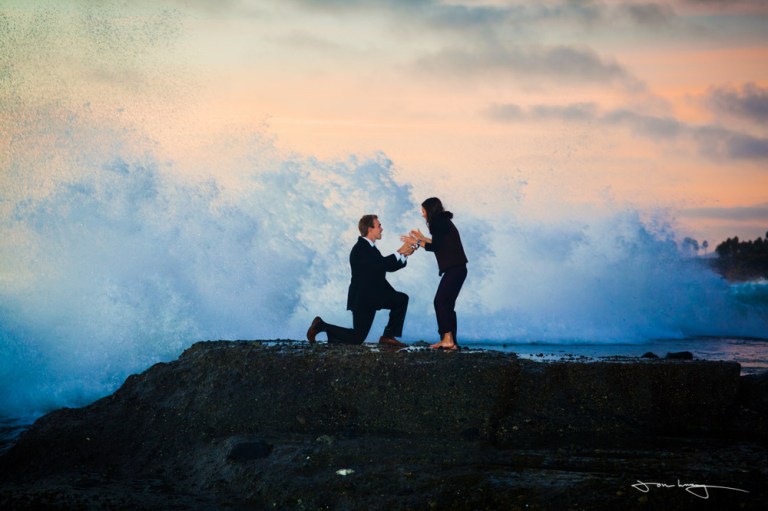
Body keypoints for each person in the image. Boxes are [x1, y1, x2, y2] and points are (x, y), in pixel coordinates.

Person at [306, 214, 416, 347]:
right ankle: (321, 325)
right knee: (357, 338)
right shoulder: (360, 248)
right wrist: (399, 251)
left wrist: (404, 255)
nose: (382, 229)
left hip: (374, 295)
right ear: (370, 229)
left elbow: (385, 266)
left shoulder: (370, 248)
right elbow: (380, 265)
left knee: (401, 299)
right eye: (379, 226)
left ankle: (388, 336)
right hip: (363, 299)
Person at [406, 198, 468, 350]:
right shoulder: (444, 221)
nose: (423, 215)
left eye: (423, 211)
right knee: (447, 304)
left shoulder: (437, 223)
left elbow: (435, 246)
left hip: (454, 269)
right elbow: (441, 242)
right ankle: (451, 341)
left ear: (430, 210)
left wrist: (416, 243)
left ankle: (447, 339)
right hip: (459, 269)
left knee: (440, 301)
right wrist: (421, 238)